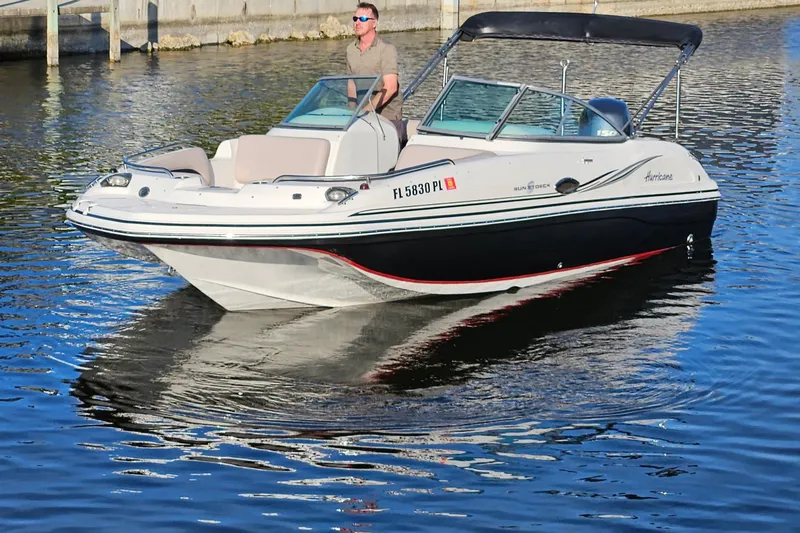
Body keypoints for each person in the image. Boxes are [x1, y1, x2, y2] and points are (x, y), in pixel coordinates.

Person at [346, 2, 405, 143]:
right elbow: (351, 82)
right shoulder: (350, 49)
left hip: (387, 117)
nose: (358, 23)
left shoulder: (386, 49)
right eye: (355, 19)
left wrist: (366, 111)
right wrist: (352, 112)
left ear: (374, 23)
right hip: (361, 116)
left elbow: (391, 88)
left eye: (363, 19)